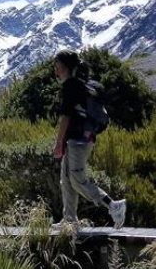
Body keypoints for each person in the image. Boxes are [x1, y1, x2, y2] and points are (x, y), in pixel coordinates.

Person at [52, 50, 126, 230]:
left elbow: (66, 117)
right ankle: (69, 220)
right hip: (78, 139)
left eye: (57, 64)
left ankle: (113, 205)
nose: (55, 67)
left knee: (77, 180)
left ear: (66, 66)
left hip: (79, 140)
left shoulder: (71, 85)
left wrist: (58, 143)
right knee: (66, 180)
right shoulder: (80, 85)